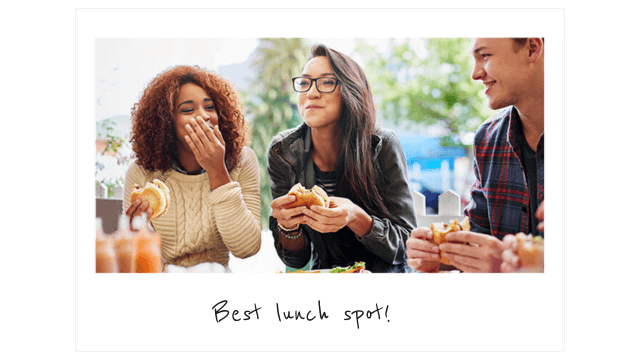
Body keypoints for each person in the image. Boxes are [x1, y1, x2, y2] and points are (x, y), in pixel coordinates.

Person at [268, 44, 416, 273]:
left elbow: (406, 245)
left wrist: (357, 218)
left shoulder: (382, 145)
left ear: (350, 91)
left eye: (327, 82)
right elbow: (296, 260)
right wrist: (288, 227)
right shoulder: (283, 151)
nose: (311, 93)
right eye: (305, 82)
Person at [407, 38, 545, 273]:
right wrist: (439, 255)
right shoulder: (488, 137)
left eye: (485, 56)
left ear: (532, 49)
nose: (475, 73)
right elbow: (479, 233)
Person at [124, 65, 261, 271]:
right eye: (188, 110)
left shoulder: (243, 160)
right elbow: (136, 261)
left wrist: (217, 171)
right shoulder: (141, 172)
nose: (203, 116)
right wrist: (136, 234)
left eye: (210, 107)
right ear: (166, 122)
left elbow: (247, 248)